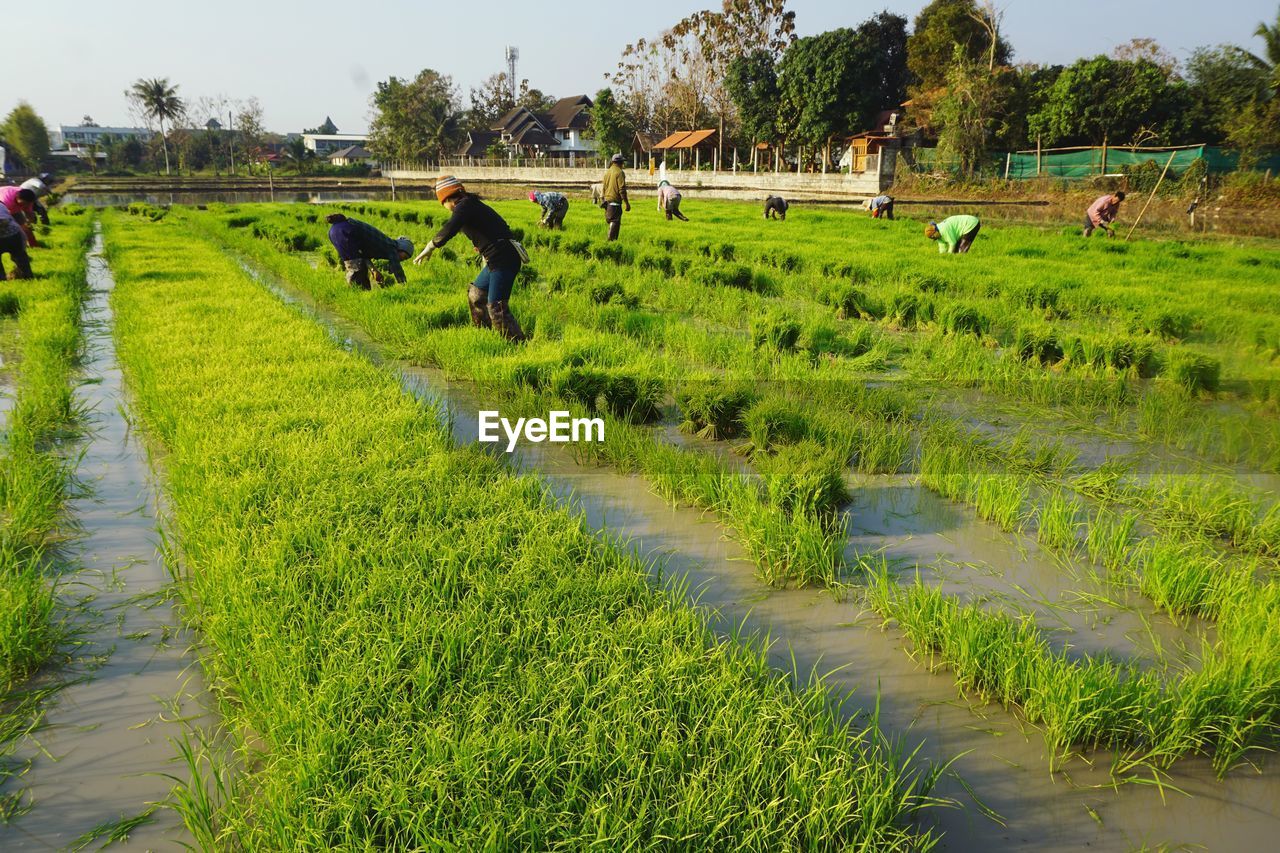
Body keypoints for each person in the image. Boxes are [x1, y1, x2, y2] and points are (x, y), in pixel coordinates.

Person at [414, 175, 527, 342]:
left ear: (446, 199)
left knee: (497, 307)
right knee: (476, 295)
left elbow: (450, 228)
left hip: (502, 257)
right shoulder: (470, 204)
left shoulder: (464, 205)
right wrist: (483, 243)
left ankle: (517, 345)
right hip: (495, 257)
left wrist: (430, 247)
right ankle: (484, 335)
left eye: (442, 203)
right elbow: (499, 225)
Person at [325, 212, 412, 290]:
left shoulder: (383, 246)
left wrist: (374, 271)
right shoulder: (391, 247)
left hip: (334, 231)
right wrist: (404, 286)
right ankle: (359, 295)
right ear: (401, 248)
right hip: (346, 231)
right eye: (404, 256)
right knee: (357, 268)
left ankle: (357, 293)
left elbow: (363, 255)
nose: (402, 259)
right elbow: (397, 269)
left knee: (354, 265)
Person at [600, 153, 630, 241]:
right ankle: (609, 242)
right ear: (619, 163)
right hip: (615, 202)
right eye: (622, 163)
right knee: (615, 222)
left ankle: (612, 242)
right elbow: (622, 189)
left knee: (612, 221)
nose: (623, 165)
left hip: (607, 202)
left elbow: (603, 188)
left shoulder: (607, 172)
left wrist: (602, 200)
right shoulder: (619, 172)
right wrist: (627, 203)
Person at [0, 203, 32, 280]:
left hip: (11, 232)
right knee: (20, 257)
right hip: (14, 232)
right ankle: (27, 276)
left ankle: (2, 279)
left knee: (20, 256)